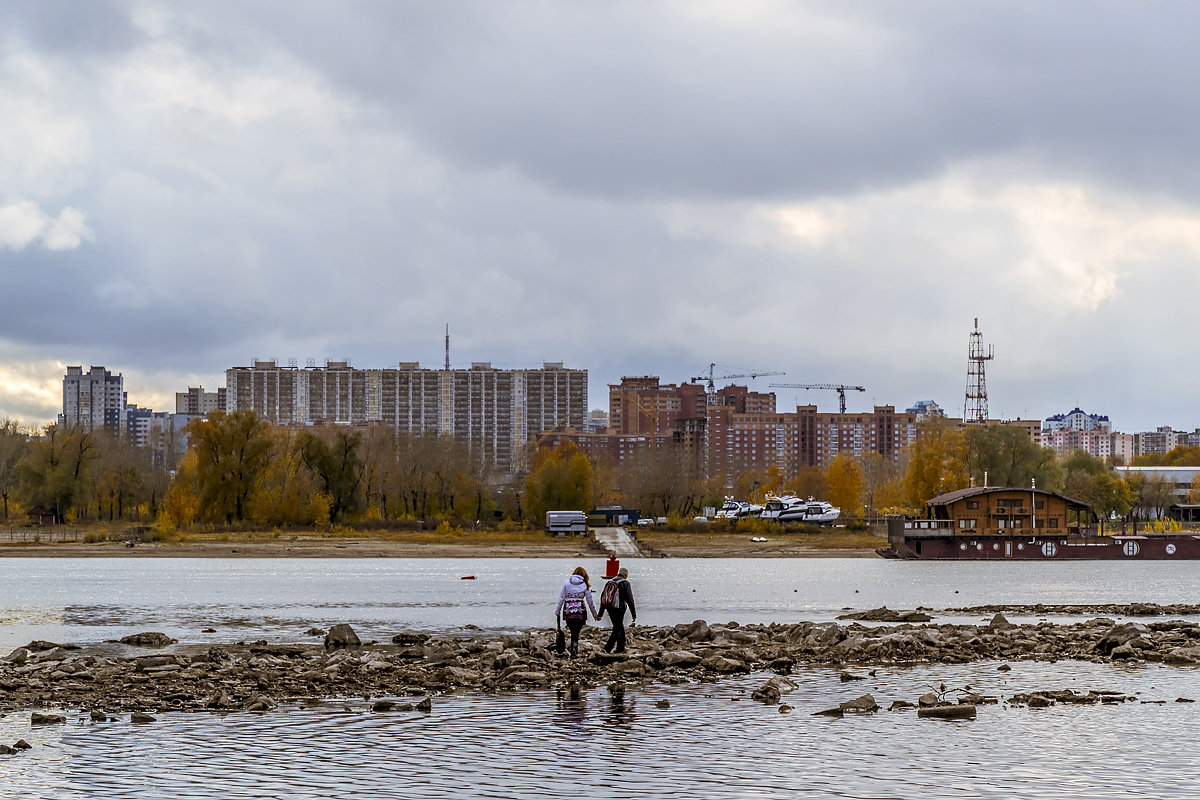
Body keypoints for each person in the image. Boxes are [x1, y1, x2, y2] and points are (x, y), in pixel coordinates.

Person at [555, 566, 598, 658]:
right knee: (576, 632)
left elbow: (561, 598)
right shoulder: (585, 584)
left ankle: (573, 650)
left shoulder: (566, 583)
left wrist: (557, 611)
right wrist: (595, 614)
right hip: (580, 611)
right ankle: (574, 650)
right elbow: (590, 602)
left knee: (572, 630)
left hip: (568, 610)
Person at [598, 566, 637, 654]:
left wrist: (600, 613)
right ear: (625, 575)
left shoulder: (609, 582)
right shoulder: (625, 583)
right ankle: (607, 648)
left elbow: (603, 598)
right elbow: (630, 599)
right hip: (619, 609)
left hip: (609, 608)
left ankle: (620, 647)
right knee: (617, 628)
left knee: (619, 626)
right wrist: (633, 614)